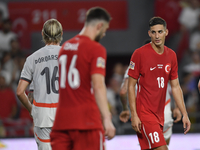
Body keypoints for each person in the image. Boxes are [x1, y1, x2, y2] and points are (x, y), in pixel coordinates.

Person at [120, 17, 191, 150]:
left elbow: (175, 87)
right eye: (154, 32)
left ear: (166, 32)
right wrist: (134, 115)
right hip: (145, 115)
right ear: (149, 33)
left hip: (161, 115)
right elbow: (130, 86)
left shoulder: (171, 56)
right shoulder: (139, 54)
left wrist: (184, 113)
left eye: (160, 32)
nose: (157, 36)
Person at [50, 7, 115, 150]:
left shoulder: (65, 47)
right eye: (105, 29)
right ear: (99, 26)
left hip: (61, 123)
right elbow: (98, 85)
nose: (104, 33)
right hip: (87, 123)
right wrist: (107, 118)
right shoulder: (95, 48)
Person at [16, 19, 63, 150]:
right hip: (65, 114)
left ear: (42, 33)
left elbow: (20, 92)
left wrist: (32, 110)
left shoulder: (32, 58)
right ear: (61, 33)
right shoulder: (70, 55)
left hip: (42, 115)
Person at [119, 67, 182, 145]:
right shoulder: (163, 63)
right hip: (164, 111)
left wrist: (125, 109)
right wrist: (177, 108)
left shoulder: (132, 67)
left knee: (149, 145)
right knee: (164, 144)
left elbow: (123, 91)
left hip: (143, 114)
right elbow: (175, 86)